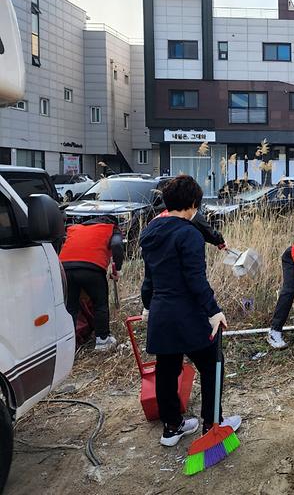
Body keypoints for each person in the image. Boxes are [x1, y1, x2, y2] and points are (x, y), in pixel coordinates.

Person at [139, 175, 241, 447]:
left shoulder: (149, 232)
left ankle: (172, 428)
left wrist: (147, 304)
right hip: (187, 313)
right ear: (193, 204)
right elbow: (196, 279)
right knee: (211, 364)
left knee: (167, 369)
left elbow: (148, 277)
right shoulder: (189, 234)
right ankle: (212, 422)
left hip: (161, 313)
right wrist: (214, 310)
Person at [59, 215, 124, 351]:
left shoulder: (75, 228)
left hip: (65, 268)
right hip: (92, 268)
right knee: (100, 303)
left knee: (71, 306)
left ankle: (69, 344)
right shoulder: (111, 227)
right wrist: (117, 269)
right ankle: (103, 340)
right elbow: (117, 244)